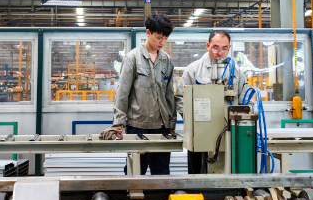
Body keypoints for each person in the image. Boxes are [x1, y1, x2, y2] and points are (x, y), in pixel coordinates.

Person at [100, 13, 176, 175]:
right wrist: (118, 123)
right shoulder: (132, 58)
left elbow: (169, 95)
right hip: (139, 126)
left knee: (162, 172)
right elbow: (122, 93)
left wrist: (172, 124)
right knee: (135, 171)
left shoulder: (167, 60)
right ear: (148, 33)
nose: (162, 42)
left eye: (165, 38)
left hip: (162, 127)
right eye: (159, 38)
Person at [176, 30, 252, 174]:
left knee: (227, 169)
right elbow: (180, 98)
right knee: (197, 174)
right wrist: (191, 121)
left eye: (224, 49)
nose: (220, 52)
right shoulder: (193, 70)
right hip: (199, 134)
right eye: (216, 48)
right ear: (208, 46)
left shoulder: (236, 72)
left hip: (228, 133)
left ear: (229, 48)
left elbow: (244, 99)